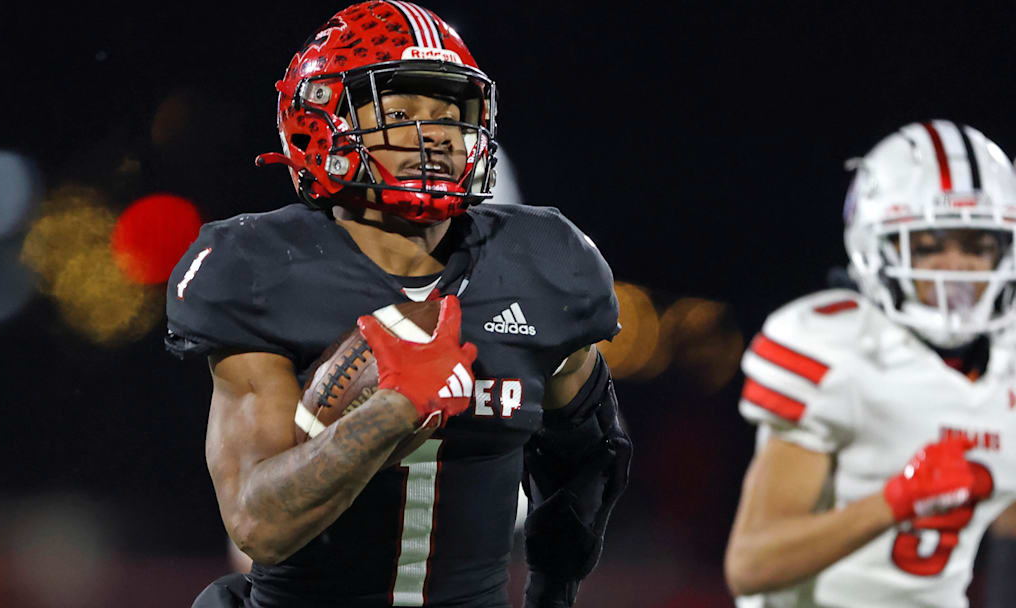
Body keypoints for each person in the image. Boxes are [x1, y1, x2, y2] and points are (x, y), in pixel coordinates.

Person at [165, 3, 631, 607]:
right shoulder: (259, 270)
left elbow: (591, 448)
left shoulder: (542, 261)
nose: (433, 132)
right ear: (322, 120)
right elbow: (260, 524)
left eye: (448, 114)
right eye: (400, 110)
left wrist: (554, 586)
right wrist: (391, 412)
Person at [724, 120, 1016, 607]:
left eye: (976, 245)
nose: (955, 266)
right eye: (929, 244)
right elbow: (750, 565)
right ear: (875, 245)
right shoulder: (839, 349)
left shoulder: (1007, 360)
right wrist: (894, 502)